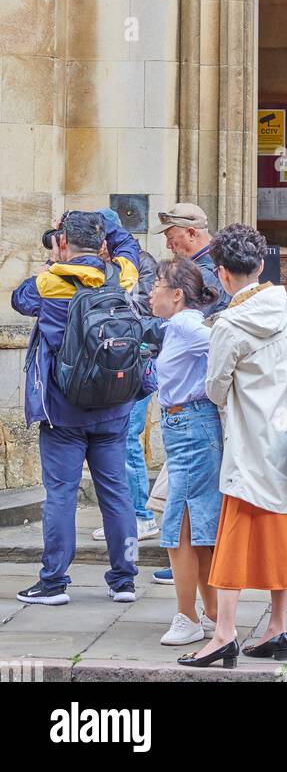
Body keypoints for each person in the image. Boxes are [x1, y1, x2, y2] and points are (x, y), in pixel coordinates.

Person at [179, 224, 287, 668]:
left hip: (249, 438)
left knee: (235, 536)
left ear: (221, 275)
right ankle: (277, 626)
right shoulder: (283, 306)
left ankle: (224, 633)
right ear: (261, 266)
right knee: (286, 527)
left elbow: (216, 387)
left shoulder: (228, 325)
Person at [12, 210, 141, 605]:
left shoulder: (48, 282)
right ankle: (124, 580)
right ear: (101, 243)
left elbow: (20, 299)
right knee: (117, 492)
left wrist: (54, 259)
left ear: (62, 242)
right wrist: (106, 226)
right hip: (115, 405)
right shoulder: (120, 275)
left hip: (63, 408)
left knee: (62, 494)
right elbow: (130, 247)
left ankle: (53, 581)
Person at [149, 259, 223, 647]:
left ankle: (188, 616)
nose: (150, 292)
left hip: (191, 427)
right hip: (190, 427)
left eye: (157, 285)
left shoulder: (185, 323)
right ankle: (208, 613)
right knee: (196, 527)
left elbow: (220, 344)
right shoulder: (179, 324)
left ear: (176, 294)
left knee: (178, 527)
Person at [90, 209, 161, 546]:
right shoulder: (99, 266)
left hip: (136, 363)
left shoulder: (140, 264)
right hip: (111, 364)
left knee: (129, 438)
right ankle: (125, 516)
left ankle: (141, 516)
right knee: (119, 440)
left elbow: (147, 313)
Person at [152, 202, 230, 315]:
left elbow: (187, 321)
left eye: (170, 238)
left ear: (191, 233)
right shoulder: (214, 263)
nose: (168, 245)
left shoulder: (205, 274)